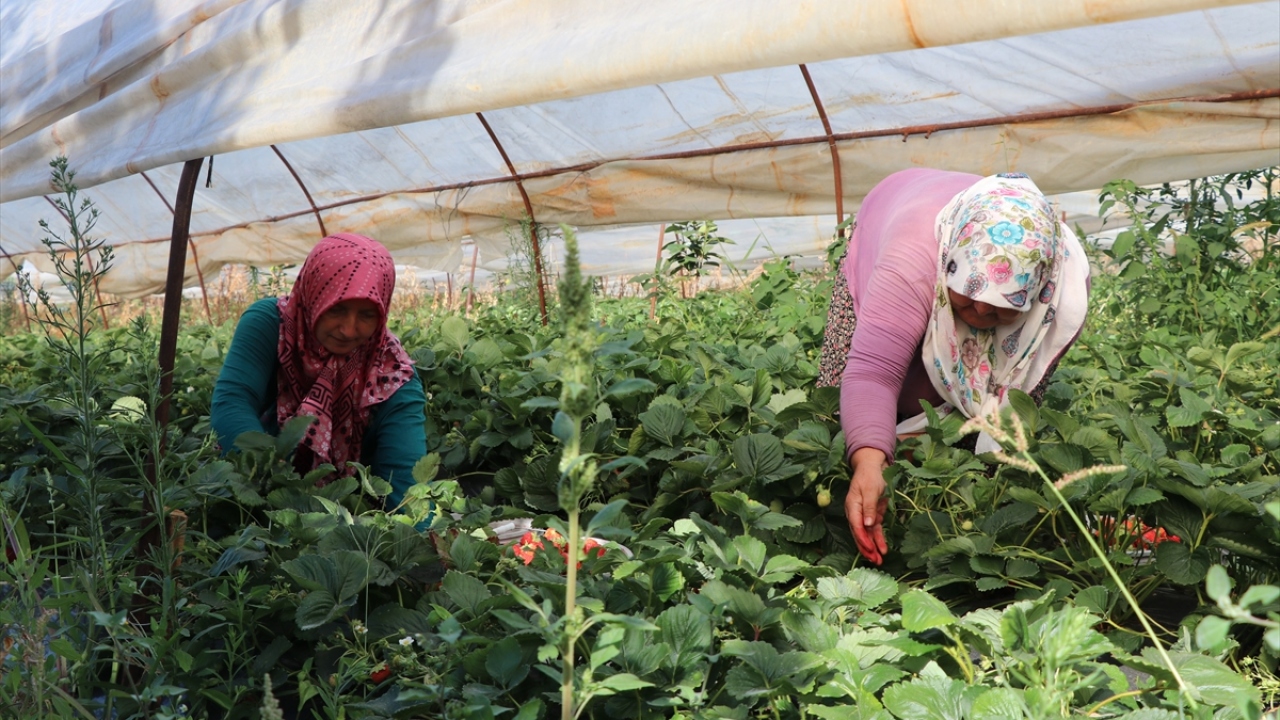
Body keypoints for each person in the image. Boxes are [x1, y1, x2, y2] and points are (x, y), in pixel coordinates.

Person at [817, 169, 1090, 565]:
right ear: (949, 264)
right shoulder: (910, 263)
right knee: (847, 413)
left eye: (1002, 308)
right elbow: (873, 370)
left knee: (975, 429)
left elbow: (1017, 397)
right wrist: (870, 458)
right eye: (968, 299)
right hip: (896, 228)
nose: (979, 311)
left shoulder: (1059, 298)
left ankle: (957, 536)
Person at [211, 233, 426, 511]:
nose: (349, 329)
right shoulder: (270, 325)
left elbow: (405, 475)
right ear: (316, 293)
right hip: (251, 485)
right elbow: (232, 403)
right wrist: (280, 490)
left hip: (346, 510)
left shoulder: (391, 372)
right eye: (338, 309)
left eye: (367, 315)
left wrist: (406, 535)